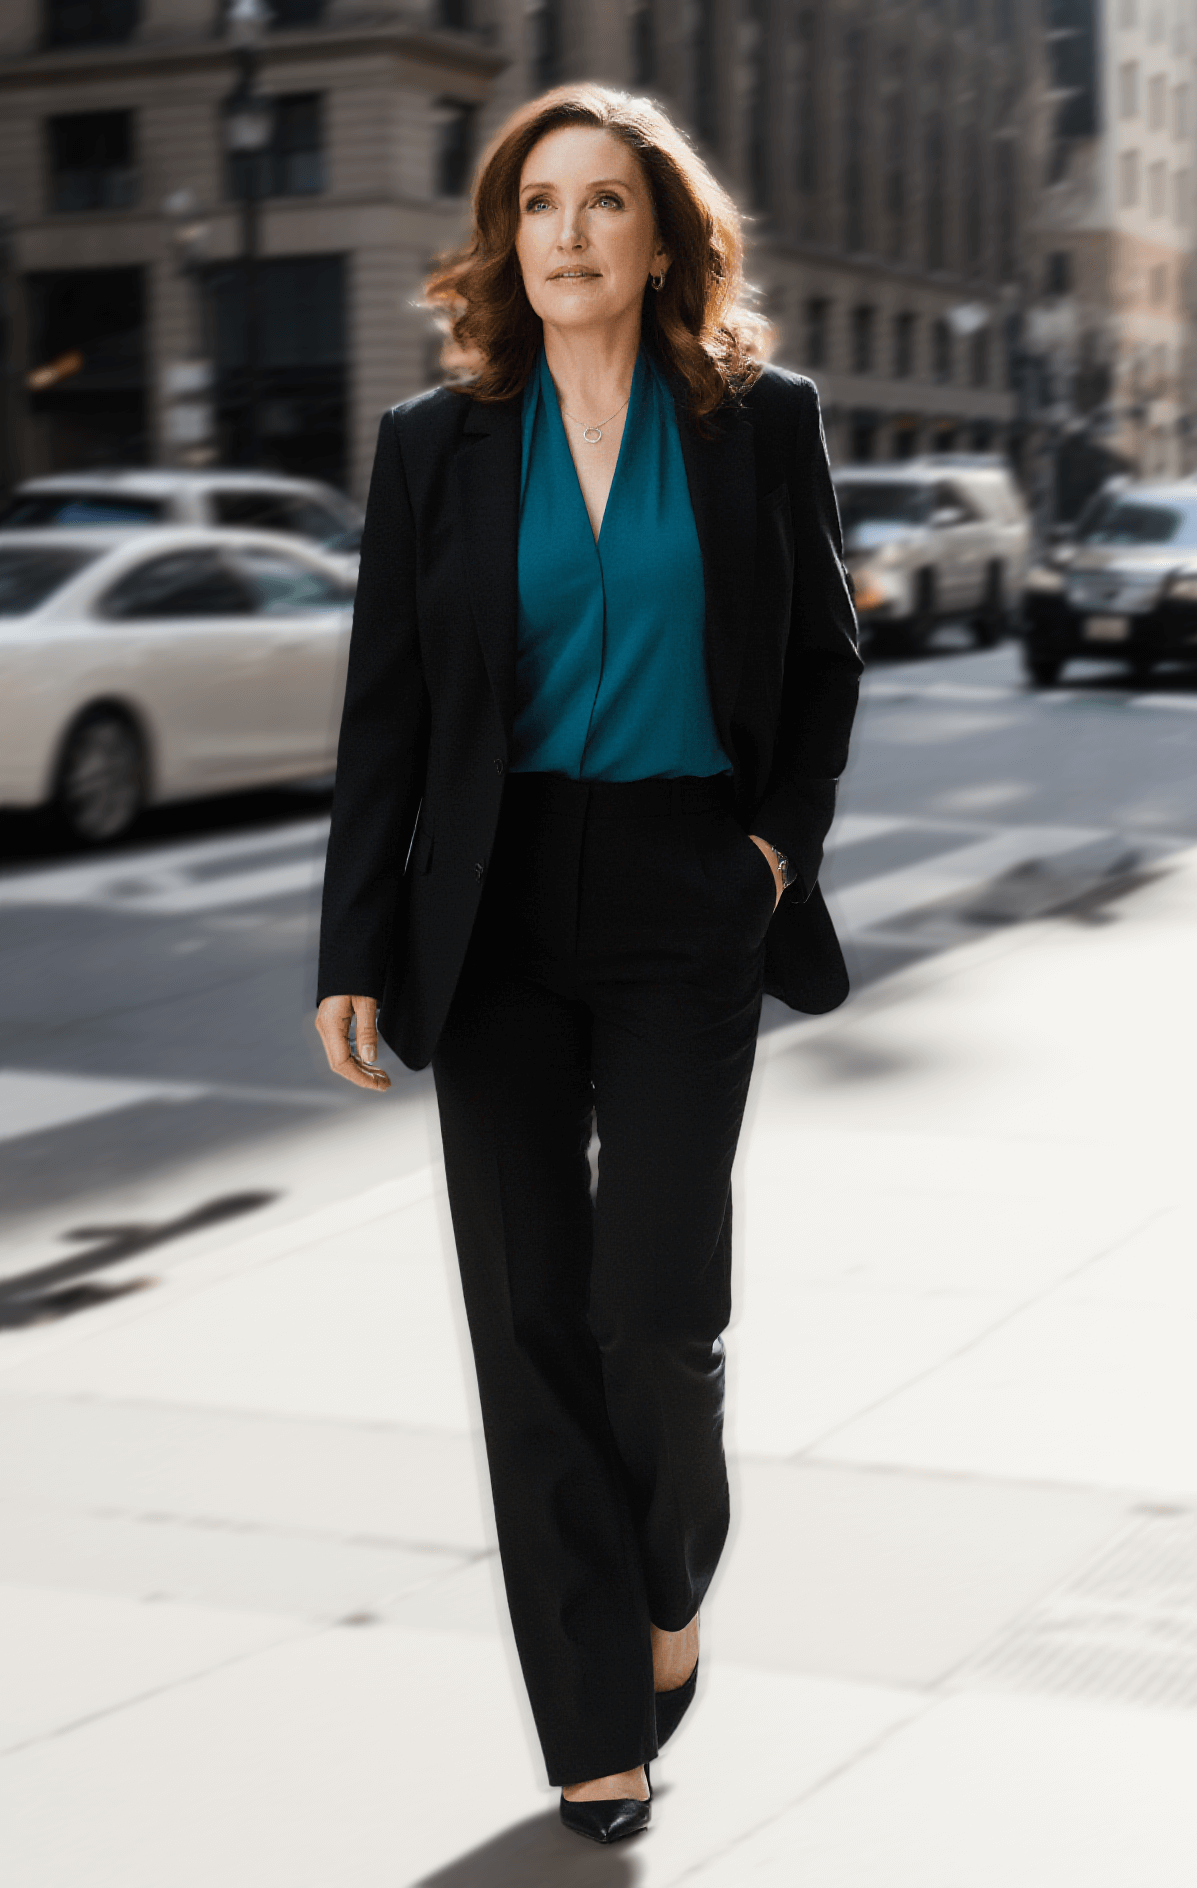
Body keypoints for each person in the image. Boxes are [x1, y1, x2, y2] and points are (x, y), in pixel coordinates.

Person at [315, 83, 860, 1846]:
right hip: (489, 905)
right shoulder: (434, 444)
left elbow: (829, 663)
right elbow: (387, 715)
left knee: (654, 1319)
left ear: (662, 235)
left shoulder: (760, 424)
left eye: (603, 203)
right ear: (506, 237)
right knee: (525, 1316)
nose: (566, 233)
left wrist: (769, 853)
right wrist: (353, 946)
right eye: (537, 203)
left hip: (689, 884)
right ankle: (594, 1725)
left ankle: (670, 1582)